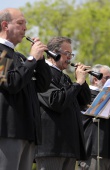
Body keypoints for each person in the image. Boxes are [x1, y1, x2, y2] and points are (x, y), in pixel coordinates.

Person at [0, 8, 51, 170]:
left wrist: (40, 60)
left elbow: (42, 85)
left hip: (27, 130)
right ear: (5, 25)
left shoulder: (19, 57)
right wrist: (32, 59)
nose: (25, 28)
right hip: (8, 131)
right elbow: (11, 83)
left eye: (25, 24)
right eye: (20, 23)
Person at [34, 36, 91, 170]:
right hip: (51, 146)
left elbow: (85, 101)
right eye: (67, 54)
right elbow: (56, 101)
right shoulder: (43, 73)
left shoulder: (65, 77)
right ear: (53, 53)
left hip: (69, 146)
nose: (70, 58)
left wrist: (81, 82)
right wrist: (77, 84)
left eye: (71, 54)